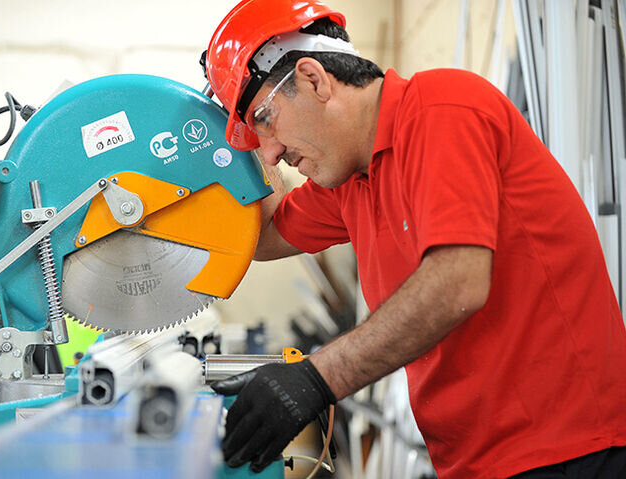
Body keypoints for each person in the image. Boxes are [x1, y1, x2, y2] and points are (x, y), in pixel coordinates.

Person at [203, 1, 626, 477]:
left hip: (569, 450)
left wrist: (317, 378)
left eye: (265, 119)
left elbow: (457, 282)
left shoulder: (442, 109)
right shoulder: (348, 181)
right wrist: (212, 139)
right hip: (480, 463)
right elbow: (258, 237)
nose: (272, 153)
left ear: (314, 79)